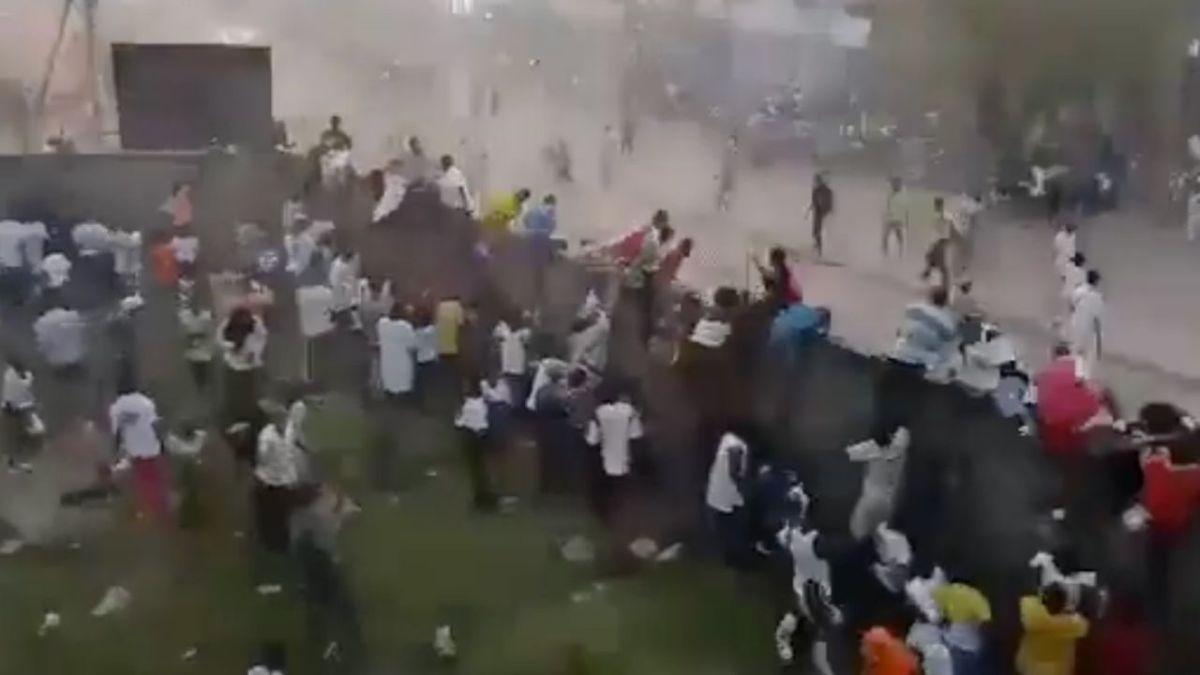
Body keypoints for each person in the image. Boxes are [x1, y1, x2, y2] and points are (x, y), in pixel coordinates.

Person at [109, 376, 168, 521]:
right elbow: (155, 426)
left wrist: (116, 450)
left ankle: (150, 507)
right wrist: (163, 444)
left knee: (143, 479)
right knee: (155, 477)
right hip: (151, 446)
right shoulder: (145, 403)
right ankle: (160, 507)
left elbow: (116, 432)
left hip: (134, 449)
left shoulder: (116, 407)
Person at [585, 387, 644, 522]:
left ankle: (604, 515)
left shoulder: (598, 412)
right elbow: (636, 435)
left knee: (606, 491)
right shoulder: (631, 412)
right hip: (625, 459)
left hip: (604, 460)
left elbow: (592, 440)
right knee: (622, 492)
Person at [254, 401, 305, 553]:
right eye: (278, 420)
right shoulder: (266, 437)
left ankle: (283, 544)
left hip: (286, 479)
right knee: (271, 515)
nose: (282, 422)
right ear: (273, 422)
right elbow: (261, 459)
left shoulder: (290, 429)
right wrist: (264, 455)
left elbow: (293, 440)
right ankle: (269, 544)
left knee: (285, 513)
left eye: (283, 419)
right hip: (270, 481)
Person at [845, 426, 910, 541]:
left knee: (860, 534)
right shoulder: (904, 450)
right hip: (892, 501)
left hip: (870, 499)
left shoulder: (874, 448)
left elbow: (849, 454)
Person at [1016, 583, 1089, 675]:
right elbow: (1083, 625)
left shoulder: (1034, 618)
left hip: (1031, 670)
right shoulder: (1073, 625)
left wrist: (1041, 593)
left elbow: (1027, 601)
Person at [932, 578, 993, 675]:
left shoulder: (944, 591)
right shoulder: (976, 596)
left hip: (951, 642)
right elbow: (986, 621)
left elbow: (937, 614)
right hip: (971, 645)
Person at [219, 306, 268, 425]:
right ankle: (235, 416)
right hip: (233, 365)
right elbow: (220, 339)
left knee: (250, 393)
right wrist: (231, 346)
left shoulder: (256, 324)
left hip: (250, 366)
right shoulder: (227, 325)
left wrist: (254, 353)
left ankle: (251, 416)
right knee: (235, 393)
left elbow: (262, 338)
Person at [706, 431, 749, 566]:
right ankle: (735, 559)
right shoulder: (736, 445)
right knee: (732, 529)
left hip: (717, 493)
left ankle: (727, 556)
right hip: (728, 495)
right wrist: (745, 489)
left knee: (723, 528)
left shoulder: (727, 438)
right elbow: (734, 470)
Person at [455, 380, 497, 510]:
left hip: (472, 438)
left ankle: (482, 498)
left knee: (477, 471)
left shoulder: (470, 406)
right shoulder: (482, 404)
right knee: (483, 470)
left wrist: (457, 415)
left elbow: (459, 423)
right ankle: (487, 497)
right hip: (482, 438)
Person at [2, 359, 40, 473]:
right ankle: (15, 463)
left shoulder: (9, 376)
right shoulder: (17, 382)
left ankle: (13, 462)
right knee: (17, 440)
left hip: (10, 413)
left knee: (12, 440)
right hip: (14, 415)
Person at [376, 303, 417, 401]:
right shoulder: (405, 327)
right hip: (402, 358)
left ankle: (390, 395)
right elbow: (413, 344)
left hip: (387, 357)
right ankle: (402, 399)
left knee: (389, 376)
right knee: (402, 379)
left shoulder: (382, 323)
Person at [1067, 270, 1103, 379]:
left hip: (1076, 325)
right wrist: (1099, 335)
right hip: (1089, 328)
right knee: (1089, 354)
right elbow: (1098, 317)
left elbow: (1071, 307)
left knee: (1079, 352)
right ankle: (1085, 378)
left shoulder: (1077, 292)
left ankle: (1078, 375)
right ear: (1096, 281)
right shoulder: (1097, 297)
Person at [523, 195, 559, 303]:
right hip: (542, 239)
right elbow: (552, 225)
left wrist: (530, 228)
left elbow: (525, 219)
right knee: (542, 267)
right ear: (552, 203)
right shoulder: (550, 211)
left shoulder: (535, 210)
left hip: (530, 239)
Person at [34, 303, 86, 373]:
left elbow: (43, 341)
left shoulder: (41, 323)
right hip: (75, 350)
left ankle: (64, 370)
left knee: (59, 357)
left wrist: (41, 348)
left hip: (58, 356)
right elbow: (80, 329)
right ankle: (73, 364)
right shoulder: (73, 315)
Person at [494, 316, 532, 404]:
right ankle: (515, 410)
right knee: (514, 394)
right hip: (513, 369)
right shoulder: (505, 331)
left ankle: (514, 410)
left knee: (514, 394)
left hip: (513, 369)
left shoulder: (521, 333)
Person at [179, 300, 215, 392]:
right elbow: (182, 332)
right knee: (195, 366)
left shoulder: (206, 316)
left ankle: (203, 382)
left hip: (203, 345)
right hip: (192, 346)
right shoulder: (185, 316)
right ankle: (200, 383)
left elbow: (210, 330)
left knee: (203, 366)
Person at [756, 246, 802, 314]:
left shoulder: (780, 269)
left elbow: (771, 276)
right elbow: (769, 275)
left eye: (770, 257)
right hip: (787, 299)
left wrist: (757, 264)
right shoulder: (782, 268)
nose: (769, 260)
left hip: (786, 299)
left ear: (774, 259)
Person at [921, 197, 953, 290]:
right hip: (940, 241)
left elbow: (946, 230)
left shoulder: (944, 216)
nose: (935, 207)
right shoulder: (942, 215)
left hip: (943, 242)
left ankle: (945, 286)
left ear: (940, 205)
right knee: (930, 257)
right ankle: (928, 272)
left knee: (942, 266)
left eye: (936, 205)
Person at [328, 249, 361, 330]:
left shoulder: (337, 261)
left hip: (337, 285)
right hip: (342, 286)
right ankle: (357, 323)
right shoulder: (344, 267)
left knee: (336, 301)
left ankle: (334, 314)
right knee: (352, 303)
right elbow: (351, 278)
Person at [882, 177, 909, 257]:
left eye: (895, 184)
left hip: (897, 219)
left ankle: (900, 255)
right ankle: (886, 254)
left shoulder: (901, 194)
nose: (893, 186)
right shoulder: (892, 193)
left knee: (899, 239)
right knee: (887, 238)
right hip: (892, 219)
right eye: (893, 184)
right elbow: (888, 206)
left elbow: (904, 207)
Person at [809, 173, 834, 258]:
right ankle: (819, 250)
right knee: (816, 232)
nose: (815, 182)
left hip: (822, 212)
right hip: (819, 212)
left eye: (816, 180)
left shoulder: (825, 190)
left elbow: (830, 202)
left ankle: (820, 250)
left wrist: (829, 211)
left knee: (818, 232)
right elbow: (814, 202)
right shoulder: (818, 190)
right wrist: (809, 210)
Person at [716, 134, 738, 211]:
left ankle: (724, 207)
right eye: (729, 141)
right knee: (721, 191)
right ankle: (721, 205)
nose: (730, 142)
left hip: (730, 174)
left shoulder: (734, 151)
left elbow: (734, 163)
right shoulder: (725, 150)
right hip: (724, 172)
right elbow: (722, 163)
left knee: (727, 192)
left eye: (732, 141)